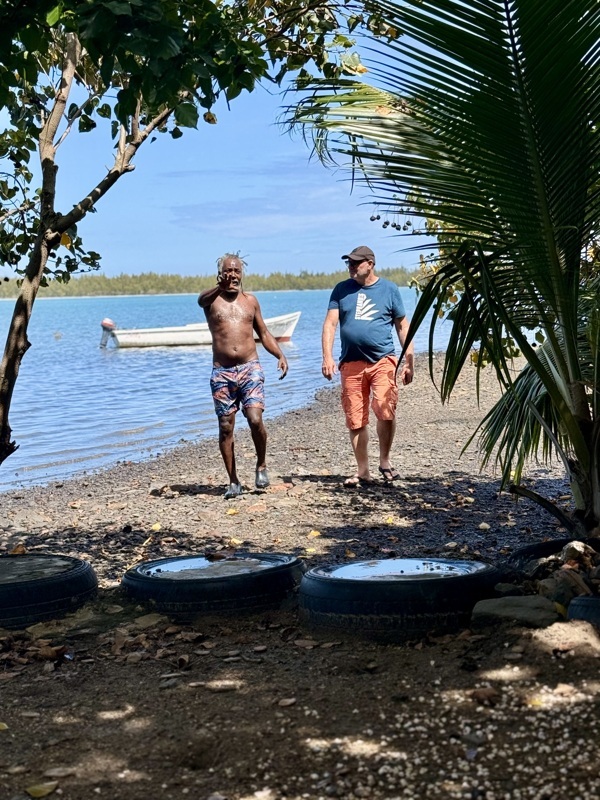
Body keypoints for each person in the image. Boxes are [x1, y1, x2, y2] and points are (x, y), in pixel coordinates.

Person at [321, 245, 414, 486]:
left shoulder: (389, 289)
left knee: (385, 409)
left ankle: (385, 461)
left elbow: (402, 326)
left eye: (355, 263)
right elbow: (330, 324)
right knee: (355, 417)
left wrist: (409, 360)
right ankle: (363, 470)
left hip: (382, 360)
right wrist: (327, 357)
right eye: (349, 263)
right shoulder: (341, 289)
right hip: (350, 363)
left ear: (370, 264)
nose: (350, 267)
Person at [198, 253, 288, 499]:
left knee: (255, 419)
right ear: (220, 274)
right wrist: (219, 287)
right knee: (225, 426)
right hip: (222, 372)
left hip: (250, 367)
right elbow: (200, 300)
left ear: (242, 273)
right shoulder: (211, 300)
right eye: (228, 270)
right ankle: (233, 481)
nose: (233, 275)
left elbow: (264, 333)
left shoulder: (250, 301)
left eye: (236, 271)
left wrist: (279, 355)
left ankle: (261, 464)